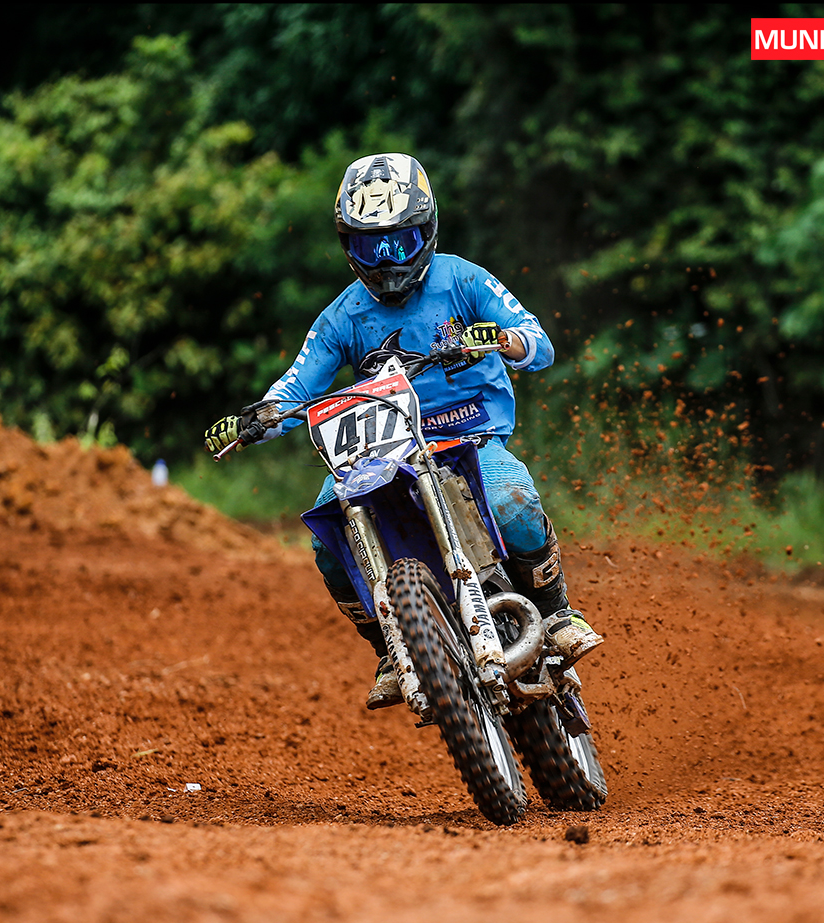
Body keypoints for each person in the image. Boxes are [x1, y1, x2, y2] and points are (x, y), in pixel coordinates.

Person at [205, 152, 602, 710]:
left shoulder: (462, 279)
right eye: (372, 247)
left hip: (470, 439)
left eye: (401, 242)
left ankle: (557, 612)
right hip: (382, 452)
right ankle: (389, 648)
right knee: (327, 531)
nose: (388, 261)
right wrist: (257, 419)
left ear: (428, 230)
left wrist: (499, 339)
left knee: (510, 497)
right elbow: (295, 387)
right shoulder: (342, 317)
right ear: (349, 247)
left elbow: (537, 342)